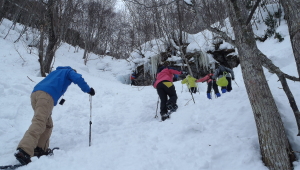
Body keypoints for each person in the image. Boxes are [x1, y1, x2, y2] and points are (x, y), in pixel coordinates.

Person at [14, 66, 95, 165]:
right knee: (39, 122)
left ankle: (39, 149)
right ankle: (24, 150)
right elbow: (78, 78)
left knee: (48, 124)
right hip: (46, 96)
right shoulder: (69, 71)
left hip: (35, 94)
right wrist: (88, 90)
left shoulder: (55, 72)